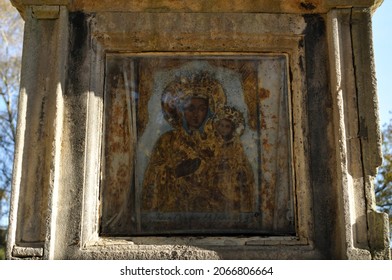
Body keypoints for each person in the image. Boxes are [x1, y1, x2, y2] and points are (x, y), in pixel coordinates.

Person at [142, 73, 223, 212]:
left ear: (209, 111)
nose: (196, 114)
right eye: (191, 108)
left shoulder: (217, 142)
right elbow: (152, 180)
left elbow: (227, 177)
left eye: (202, 109)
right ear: (180, 111)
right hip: (174, 208)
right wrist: (176, 171)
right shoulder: (167, 141)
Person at [210, 106, 255, 212]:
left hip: (230, 188)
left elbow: (243, 169)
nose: (223, 129)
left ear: (232, 129)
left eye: (227, 126)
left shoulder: (236, 148)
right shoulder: (211, 144)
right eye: (221, 125)